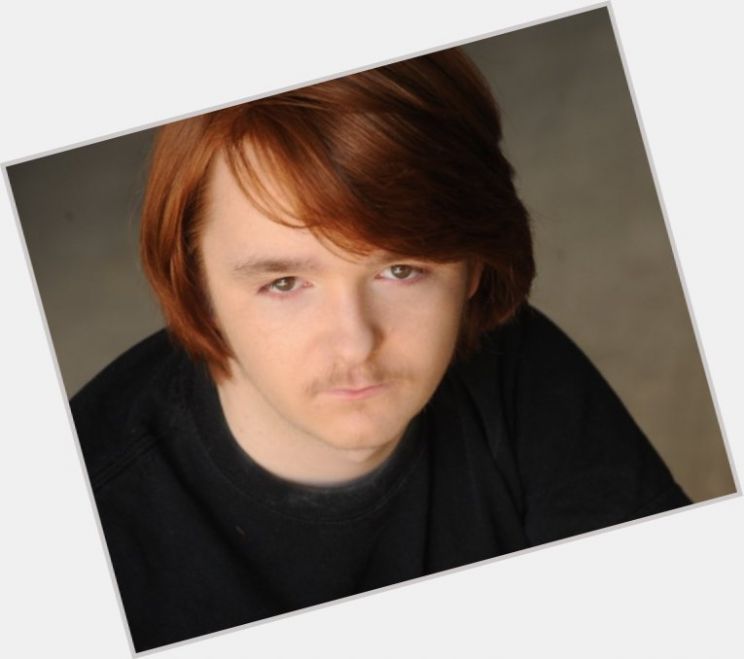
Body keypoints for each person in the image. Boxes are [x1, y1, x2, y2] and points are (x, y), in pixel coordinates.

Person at [71, 48, 689, 652]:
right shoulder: (90, 519)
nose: (356, 342)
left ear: (474, 267)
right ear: (196, 285)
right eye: (284, 283)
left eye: (401, 270)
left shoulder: (516, 367)